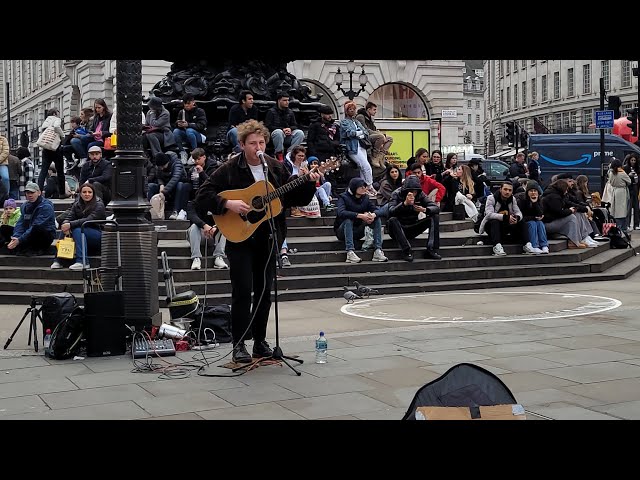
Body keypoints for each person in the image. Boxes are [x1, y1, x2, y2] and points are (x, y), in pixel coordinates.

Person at [195, 119, 319, 364]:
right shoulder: (229, 169)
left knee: (264, 292)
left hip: (269, 237)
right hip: (240, 238)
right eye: (253, 143)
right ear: (242, 145)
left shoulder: (275, 168)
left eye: (261, 142)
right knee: (242, 291)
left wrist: (309, 183)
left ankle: (260, 341)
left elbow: (294, 199)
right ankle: (239, 343)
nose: (258, 147)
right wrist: (227, 203)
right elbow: (202, 197)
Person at [51, 182, 106, 270]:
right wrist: (66, 223)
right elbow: (69, 216)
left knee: (77, 229)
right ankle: (59, 260)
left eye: (89, 192)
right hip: (82, 233)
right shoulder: (77, 204)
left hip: (98, 234)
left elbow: (89, 219)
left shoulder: (99, 205)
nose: (87, 194)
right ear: (80, 193)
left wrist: (70, 224)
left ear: (93, 193)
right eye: (84, 192)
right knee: (65, 229)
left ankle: (83, 262)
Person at [386, 175, 442, 261]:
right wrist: (404, 204)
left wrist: (425, 209)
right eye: (411, 191)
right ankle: (406, 250)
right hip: (398, 228)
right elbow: (391, 211)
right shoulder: (396, 194)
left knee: (434, 217)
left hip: (412, 226)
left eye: (415, 192)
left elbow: (435, 208)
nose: (413, 193)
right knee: (392, 220)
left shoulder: (420, 194)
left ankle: (432, 249)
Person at [334, 177, 388, 264]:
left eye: (365, 187)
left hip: (358, 229)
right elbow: (341, 212)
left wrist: (372, 215)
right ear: (354, 188)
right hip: (342, 230)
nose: (364, 189)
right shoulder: (343, 197)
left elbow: (377, 210)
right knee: (349, 219)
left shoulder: (365, 198)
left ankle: (378, 250)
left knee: (376, 218)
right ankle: (350, 252)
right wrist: (360, 215)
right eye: (361, 187)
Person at [7, 182, 56, 256]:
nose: (30, 195)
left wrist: (19, 240)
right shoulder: (24, 206)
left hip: (44, 235)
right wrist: (16, 236)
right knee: (4, 228)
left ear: (39, 193)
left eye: (32, 192)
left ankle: (34, 248)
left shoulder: (46, 206)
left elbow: (36, 225)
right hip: (28, 232)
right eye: (27, 192)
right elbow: (20, 223)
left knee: (36, 228)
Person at [340, 101, 376, 196]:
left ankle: (363, 187)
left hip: (361, 145)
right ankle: (369, 186)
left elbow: (365, 132)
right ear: (346, 111)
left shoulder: (356, 121)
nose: (352, 111)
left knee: (363, 167)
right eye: (350, 109)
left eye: (353, 109)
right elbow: (348, 133)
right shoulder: (344, 122)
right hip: (352, 147)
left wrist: (358, 133)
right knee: (366, 166)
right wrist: (358, 133)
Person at [264, 92, 305, 161]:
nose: (287, 102)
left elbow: (295, 125)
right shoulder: (271, 112)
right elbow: (268, 126)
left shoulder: (290, 112)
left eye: (288, 100)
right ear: (279, 101)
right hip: (275, 136)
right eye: (284, 100)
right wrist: (283, 129)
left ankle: (290, 153)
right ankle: (279, 154)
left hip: (288, 135)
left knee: (300, 133)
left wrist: (290, 129)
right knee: (278, 132)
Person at [36, 108, 66, 195]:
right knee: (60, 171)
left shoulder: (45, 121)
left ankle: (39, 190)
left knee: (43, 171)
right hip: (55, 148)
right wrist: (62, 135)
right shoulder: (56, 119)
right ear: (54, 113)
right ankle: (62, 193)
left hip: (46, 148)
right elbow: (56, 127)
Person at [173, 94, 208, 163]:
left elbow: (202, 125)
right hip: (186, 134)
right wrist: (178, 124)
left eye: (188, 103)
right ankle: (182, 152)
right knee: (176, 131)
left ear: (193, 102)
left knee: (189, 130)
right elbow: (176, 124)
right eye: (185, 103)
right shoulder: (181, 112)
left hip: (199, 135)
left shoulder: (200, 111)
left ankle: (194, 153)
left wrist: (188, 125)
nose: (186, 105)